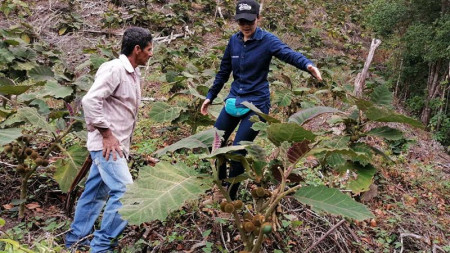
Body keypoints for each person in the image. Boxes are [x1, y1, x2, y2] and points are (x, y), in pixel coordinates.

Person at [200, 0, 322, 200]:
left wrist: (308, 65)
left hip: (257, 103)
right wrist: (210, 96)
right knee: (214, 142)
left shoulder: (268, 40)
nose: (246, 26)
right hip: (235, 98)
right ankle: (220, 184)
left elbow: (288, 54)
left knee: (239, 151)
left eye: (249, 21)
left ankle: (231, 196)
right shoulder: (234, 41)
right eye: (241, 22)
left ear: (258, 18)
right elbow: (224, 71)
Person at [65, 27, 153, 252]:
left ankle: (75, 241)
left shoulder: (133, 73)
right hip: (108, 146)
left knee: (95, 193)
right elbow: (90, 101)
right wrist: (106, 135)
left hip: (116, 145)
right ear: (137, 49)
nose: (151, 54)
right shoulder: (114, 69)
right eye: (149, 49)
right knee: (126, 194)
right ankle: (101, 246)